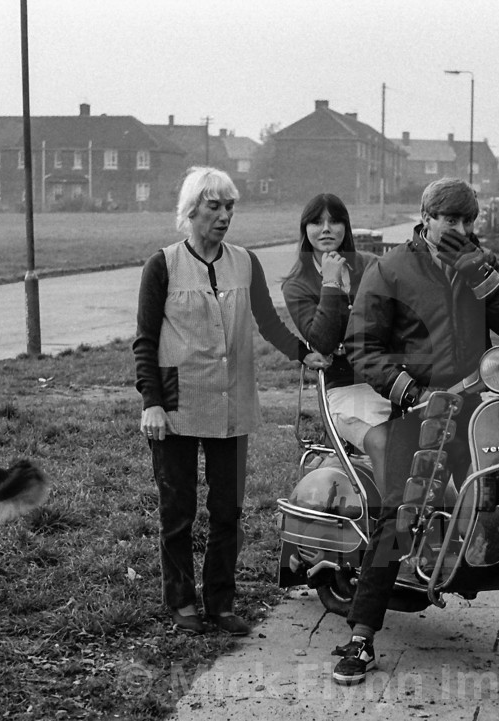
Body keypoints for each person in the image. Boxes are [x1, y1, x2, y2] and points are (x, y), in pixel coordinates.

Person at [330, 177, 499, 685]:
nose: (461, 229)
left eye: (469, 221)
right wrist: (408, 392)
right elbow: (362, 346)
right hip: (417, 411)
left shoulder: (479, 264)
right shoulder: (390, 269)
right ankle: (361, 637)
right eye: (451, 220)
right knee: (396, 512)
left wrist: (479, 275)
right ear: (426, 216)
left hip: (475, 409)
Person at [133, 166, 327, 637]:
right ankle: (180, 601)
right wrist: (151, 403)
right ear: (192, 209)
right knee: (177, 512)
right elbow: (145, 341)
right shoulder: (162, 265)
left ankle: (219, 602)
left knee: (228, 511)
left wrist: (304, 353)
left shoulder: (245, 261)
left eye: (230, 207)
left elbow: (268, 320)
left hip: (232, 404)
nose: (224, 216)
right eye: (214, 206)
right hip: (177, 403)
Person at [282, 194, 391, 477]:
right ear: (305, 229)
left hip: (389, 376)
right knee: (386, 443)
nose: (326, 228)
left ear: (347, 226)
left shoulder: (370, 266)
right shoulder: (297, 285)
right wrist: (330, 283)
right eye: (317, 222)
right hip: (346, 385)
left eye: (335, 221)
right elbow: (325, 342)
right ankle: (391, 518)